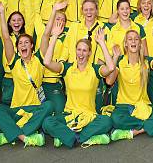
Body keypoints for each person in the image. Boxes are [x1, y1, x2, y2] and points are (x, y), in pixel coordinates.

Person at [0, 0, 53, 147]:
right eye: (20, 43)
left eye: (26, 43)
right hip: (17, 109)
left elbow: (45, 35)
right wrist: (2, 13)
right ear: (17, 48)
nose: (23, 45)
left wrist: (54, 10)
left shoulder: (39, 60)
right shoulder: (15, 62)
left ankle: (11, 134)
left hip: (35, 109)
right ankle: (24, 136)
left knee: (49, 105)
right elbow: (5, 37)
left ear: (31, 46)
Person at [42, 20, 116, 148]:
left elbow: (110, 67)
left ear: (89, 53)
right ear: (75, 51)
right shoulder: (67, 68)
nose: (81, 53)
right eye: (79, 50)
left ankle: (70, 137)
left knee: (107, 121)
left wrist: (102, 43)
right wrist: (54, 37)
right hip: (70, 115)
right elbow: (47, 62)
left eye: (84, 50)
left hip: (89, 117)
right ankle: (84, 136)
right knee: (47, 122)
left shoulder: (94, 69)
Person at [107, 29, 153, 141]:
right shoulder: (120, 62)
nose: (133, 41)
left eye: (136, 39)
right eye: (130, 39)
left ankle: (135, 131)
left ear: (139, 43)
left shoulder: (146, 62)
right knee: (115, 119)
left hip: (144, 107)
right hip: (124, 107)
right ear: (126, 44)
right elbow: (109, 81)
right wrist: (114, 57)